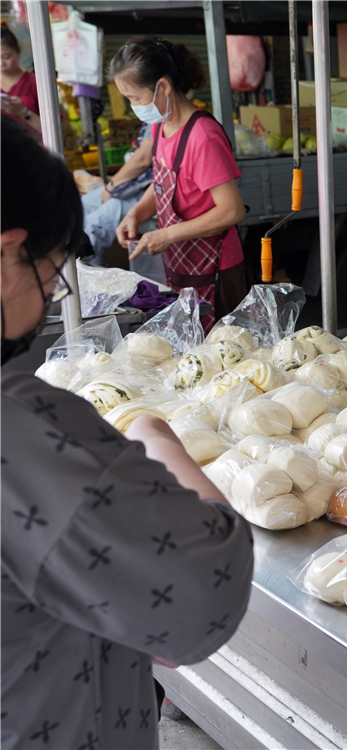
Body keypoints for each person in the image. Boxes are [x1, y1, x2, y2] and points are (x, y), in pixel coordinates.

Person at [1, 119, 254, 747]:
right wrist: (158, 443)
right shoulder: (24, 436)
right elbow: (203, 598)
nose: (50, 291)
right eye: (54, 270)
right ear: (8, 254)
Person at [109, 37, 247, 330]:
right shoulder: (161, 127)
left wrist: (167, 234)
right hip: (181, 263)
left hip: (217, 269)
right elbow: (163, 181)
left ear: (163, 87)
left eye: (135, 98)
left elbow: (231, 211)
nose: (134, 107)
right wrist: (136, 213)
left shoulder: (203, 137)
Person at [81, 125, 155, 269]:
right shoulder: (149, 121)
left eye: (137, 100)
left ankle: (89, 267)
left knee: (98, 220)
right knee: (85, 203)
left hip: (148, 188)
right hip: (137, 185)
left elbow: (142, 160)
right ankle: (93, 263)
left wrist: (111, 187)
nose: (135, 104)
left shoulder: (160, 120)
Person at [0, 24, 41, 136]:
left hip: (33, 150)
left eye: (6, 57)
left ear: (18, 52)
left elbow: (54, 129)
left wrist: (23, 112)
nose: (1, 64)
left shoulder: (36, 83)